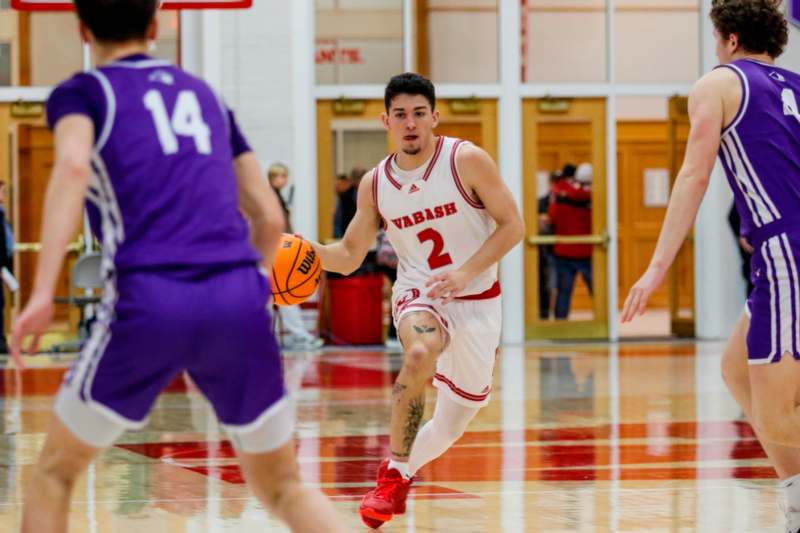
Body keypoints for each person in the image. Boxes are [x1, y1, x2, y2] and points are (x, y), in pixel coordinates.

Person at [9, 2, 347, 532]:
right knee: (284, 486)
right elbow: (269, 214)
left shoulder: (84, 92)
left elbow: (74, 166)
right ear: (154, 26)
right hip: (236, 295)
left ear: (81, 28)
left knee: (55, 473)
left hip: (149, 298)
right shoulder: (205, 95)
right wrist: (246, 284)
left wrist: (41, 292)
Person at [311, 72, 524, 528]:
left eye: (419, 114)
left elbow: (513, 225)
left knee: (451, 426)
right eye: (401, 115)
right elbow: (349, 256)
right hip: (418, 293)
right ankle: (391, 480)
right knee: (420, 350)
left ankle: (395, 472)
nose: (411, 124)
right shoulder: (375, 183)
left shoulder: (465, 160)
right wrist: (302, 251)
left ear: (435, 117)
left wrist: (465, 272)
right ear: (386, 120)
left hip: (477, 299)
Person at [622, 2, 800, 531]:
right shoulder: (794, 84)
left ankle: (796, 506)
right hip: (783, 250)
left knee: (772, 406)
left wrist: (656, 267)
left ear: (728, 39)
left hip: (785, 249)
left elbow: (693, 176)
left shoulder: (719, 83)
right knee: (735, 366)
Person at [267, 163, 323, 351]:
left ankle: (271, 338)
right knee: (284, 294)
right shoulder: (269, 198)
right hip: (273, 254)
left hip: (279, 253)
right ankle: (298, 336)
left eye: (285, 176)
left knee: (277, 297)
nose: (283, 180)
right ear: (273, 178)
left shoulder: (278, 198)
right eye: (280, 176)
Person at [548, 163, 593, 319]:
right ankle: (605, 321)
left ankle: (561, 326)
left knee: (563, 292)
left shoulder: (559, 194)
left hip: (563, 250)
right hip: (588, 250)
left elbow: (551, 218)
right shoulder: (596, 197)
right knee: (598, 291)